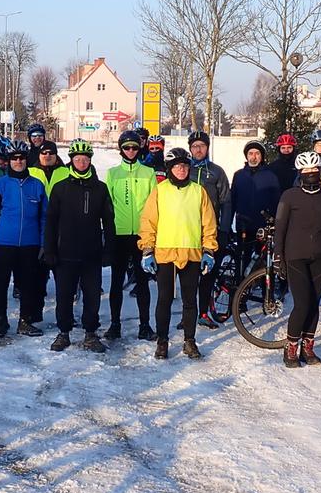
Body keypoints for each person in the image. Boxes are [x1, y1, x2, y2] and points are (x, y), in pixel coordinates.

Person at [138, 147, 219, 360]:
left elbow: (208, 223)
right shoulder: (160, 190)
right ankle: (162, 341)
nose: (181, 170)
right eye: (177, 166)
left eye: (184, 166)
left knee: (190, 300)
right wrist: (147, 249)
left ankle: (189, 341)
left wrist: (209, 249)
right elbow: (148, 221)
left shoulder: (198, 191)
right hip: (165, 253)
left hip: (191, 253)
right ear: (170, 169)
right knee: (164, 299)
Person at [43, 139, 116, 352]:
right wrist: (49, 249)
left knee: (92, 295)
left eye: (85, 159)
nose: (81, 163)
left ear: (90, 161)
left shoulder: (100, 189)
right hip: (65, 252)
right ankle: (63, 332)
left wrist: (108, 249)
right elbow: (50, 222)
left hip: (91, 253)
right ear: (71, 161)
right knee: (64, 295)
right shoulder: (59, 188)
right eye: (77, 159)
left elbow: (109, 222)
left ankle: (90, 333)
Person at [274, 151, 321, 367]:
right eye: (306, 171)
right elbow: (280, 229)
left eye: (314, 170)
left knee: (314, 304)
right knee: (302, 304)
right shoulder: (289, 196)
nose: (311, 173)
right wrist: (278, 257)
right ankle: (291, 347)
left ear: (320, 171)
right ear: (299, 173)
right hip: (295, 256)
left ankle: (308, 347)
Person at [0, 141, 47, 339]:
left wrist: (44, 243)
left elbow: (45, 217)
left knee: (28, 284)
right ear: (8, 161)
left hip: (30, 243)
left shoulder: (37, 185)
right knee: (0, 283)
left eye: (21, 158)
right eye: (14, 159)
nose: (18, 162)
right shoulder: (0, 186)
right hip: (4, 243)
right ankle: (1, 319)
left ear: (26, 160)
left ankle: (25, 321)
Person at [104, 129, 157, 341]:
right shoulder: (112, 173)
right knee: (116, 281)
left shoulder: (148, 172)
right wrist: (107, 232)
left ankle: (145, 325)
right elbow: (107, 206)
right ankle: (114, 324)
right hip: (119, 234)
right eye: (127, 147)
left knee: (142, 282)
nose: (131, 151)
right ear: (121, 149)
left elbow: (154, 206)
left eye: (135, 147)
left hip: (142, 236)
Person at [187, 130, 231, 330]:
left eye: (202, 146)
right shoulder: (183, 169)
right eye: (195, 146)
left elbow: (226, 202)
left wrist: (223, 231)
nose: (198, 150)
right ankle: (188, 315)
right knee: (188, 276)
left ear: (207, 148)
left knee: (207, 275)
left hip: (209, 231)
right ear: (190, 149)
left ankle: (203, 312)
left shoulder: (216, 171)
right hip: (187, 230)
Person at [27, 139, 66, 324]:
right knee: (37, 276)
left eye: (51, 153)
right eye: (44, 153)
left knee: (63, 277)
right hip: (38, 229)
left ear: (56, 155)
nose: (47, 156)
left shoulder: (66, 172)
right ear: (39, 155)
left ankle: (65, 314)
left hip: (61, 230)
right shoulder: (30, 172)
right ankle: (36, 312)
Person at [229, 139, 281, 274]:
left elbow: (276, 202)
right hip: (243, 224)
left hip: (262, 227)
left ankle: (264, 291)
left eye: (257, 153)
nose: (254, 157)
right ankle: (240, 289)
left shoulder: (270, 176)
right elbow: (232, 201)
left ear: (262, 156)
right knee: (242, 258)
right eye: (250, 153)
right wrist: (228, 225)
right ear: (246, 156)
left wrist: (275, 223)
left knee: (262, 260)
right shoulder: (239, 175)